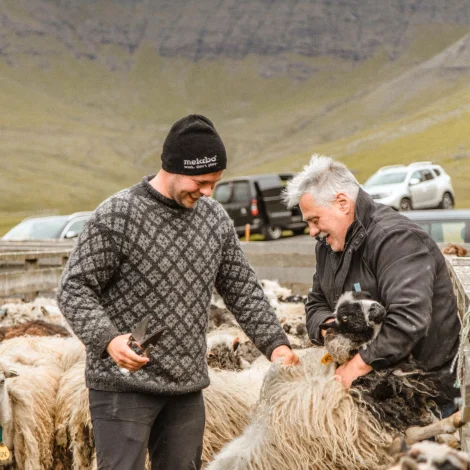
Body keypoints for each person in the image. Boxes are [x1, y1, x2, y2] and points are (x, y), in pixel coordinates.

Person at [57, 114, 299, 470]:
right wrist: (109, 339)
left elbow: (243, 289)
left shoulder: (214, 219)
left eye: (214, 183)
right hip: (124, 388)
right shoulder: (118, 214)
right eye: (200, 182)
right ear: (172, 167)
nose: (206, 192)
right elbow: (73, 288)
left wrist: (276, 346)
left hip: (186, 390)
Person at [283, 154, 460, 415]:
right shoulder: (328, 247)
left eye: (314, 220)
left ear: (342, 203)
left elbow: (408, 318)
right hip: (376, 387)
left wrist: (356, 365)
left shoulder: (396, 240)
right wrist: (331, 331)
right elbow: (315, 304)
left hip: (424, 390)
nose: (312, 231)